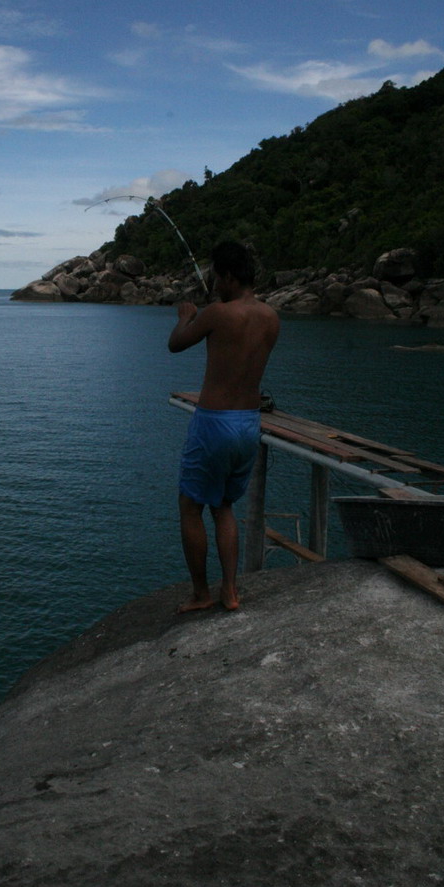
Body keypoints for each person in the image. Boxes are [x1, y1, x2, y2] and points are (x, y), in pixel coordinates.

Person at [168, 242, 279, 614]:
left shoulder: (217, 313)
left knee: (190, 505)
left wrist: (185, 315)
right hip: (249, 424)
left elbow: (176, 344)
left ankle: (201, 593)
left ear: (229, 276)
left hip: (214, 422)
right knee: (225, 506)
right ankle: (230, 593)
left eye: (217, 275)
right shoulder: (271, 318)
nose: (214, 282)